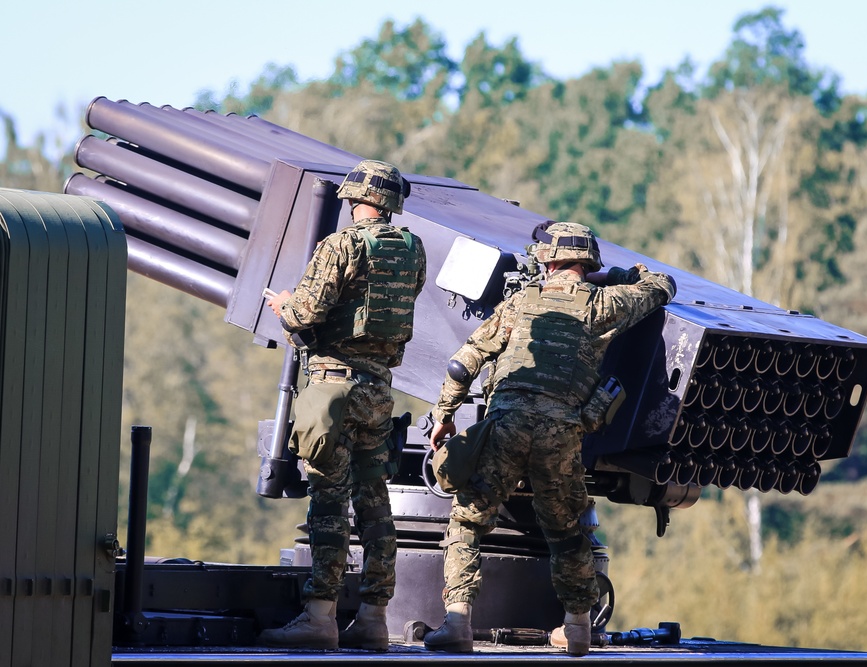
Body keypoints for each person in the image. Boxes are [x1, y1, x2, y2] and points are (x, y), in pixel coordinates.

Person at [422, 221, 676, 656]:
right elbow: (662, 285)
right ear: (588, 262)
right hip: (561, 433)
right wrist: (614, 275)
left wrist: (444, 416)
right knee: (566, 530)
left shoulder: (522, 300)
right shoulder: (604, 303)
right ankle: (577, 628)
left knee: (468, 521)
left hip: (507, 423)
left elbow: (464, 363)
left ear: (548, 260)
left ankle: (458, 622)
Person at [259, 159, 426, 651]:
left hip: (333, 386)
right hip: (378, 389)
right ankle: (374, 619)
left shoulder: (341, 245)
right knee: (375, 502)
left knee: (329, 502)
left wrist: (284, 304)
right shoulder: (412, 249)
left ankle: (320, 616)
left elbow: (305, 313)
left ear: (356, 198)